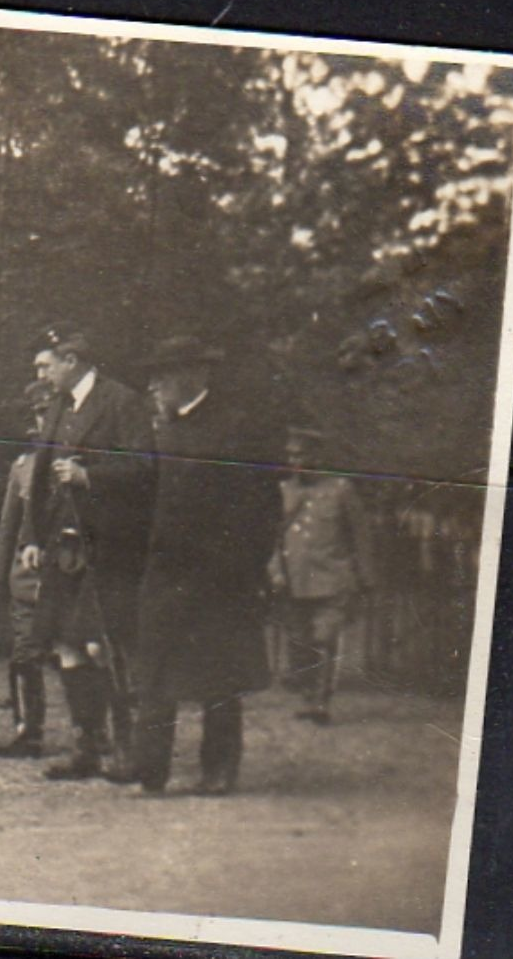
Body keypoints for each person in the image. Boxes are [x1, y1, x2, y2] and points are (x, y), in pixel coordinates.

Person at [0, 323, 156, 783]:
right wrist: (31, 539)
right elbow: (39, 478)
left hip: (108, 548)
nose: (42, 376)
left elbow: (146, 468)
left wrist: (91, 477)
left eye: (48, 366)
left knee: (104, 645)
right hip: (62, 547)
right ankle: (87, 743)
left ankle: (126, 748)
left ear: (73, 362)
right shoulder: (60, 406)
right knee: (63, 641)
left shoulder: (121, 402)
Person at [133, 335, 278, 796]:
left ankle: (219, 769)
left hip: (218, 579)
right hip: (162, 575)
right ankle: (149, 771)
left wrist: (240, 569)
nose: (154, 387)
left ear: (188, 377)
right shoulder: (160, 431)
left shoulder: (235, 430)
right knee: (154, 673)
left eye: (162, 377)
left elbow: (260, 509)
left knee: (220, 678)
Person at [268, 425, 378, 725]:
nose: (295, 461)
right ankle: (307, 697)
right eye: (291, 455)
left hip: (332, 579)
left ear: (317, 456)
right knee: (299, 641)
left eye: (301, 454)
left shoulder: (340, 490)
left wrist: (366, 578)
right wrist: (275, 570)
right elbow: (274, 537)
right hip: (295, 580)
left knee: (324, 638)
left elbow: (361, 536)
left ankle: (320, 702)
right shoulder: (284, 490)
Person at [0, 381, 56, 717]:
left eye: (52, 412)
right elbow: (8, 525)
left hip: (71, 573)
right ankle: (27, 729)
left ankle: (94, 733)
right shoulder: (23, 466)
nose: (46, 422)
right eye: (41, 414)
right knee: (24, 651)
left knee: (86, 654)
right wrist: (0, 575)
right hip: (27, 577)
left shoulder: (81, 462)